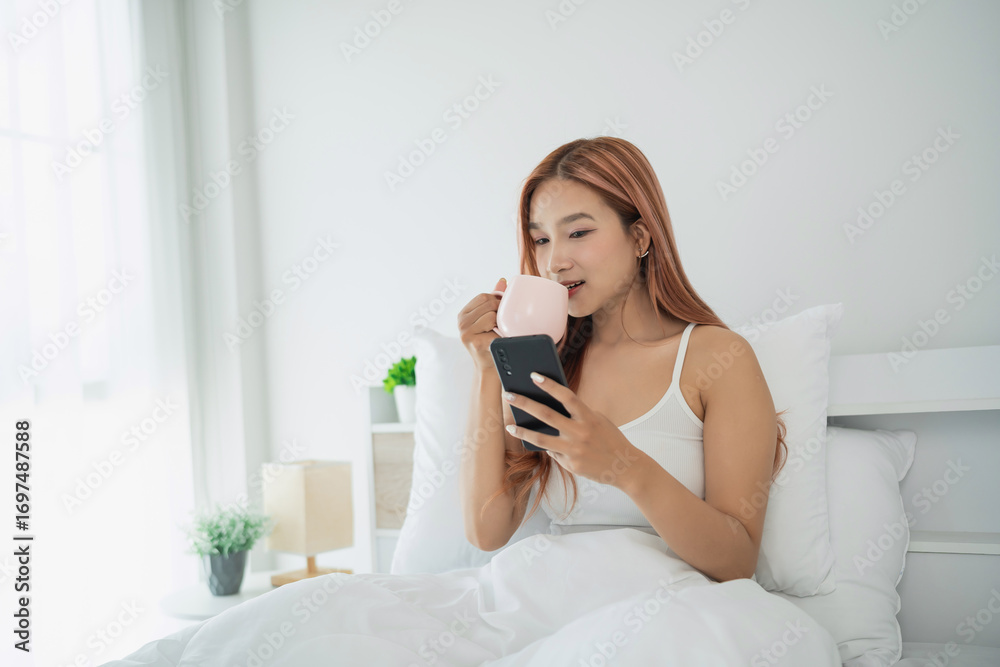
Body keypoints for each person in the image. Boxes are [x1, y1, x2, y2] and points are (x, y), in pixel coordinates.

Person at [457, 136, 790, 584]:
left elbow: (737, 561)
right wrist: (486, 368)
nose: (554, 261)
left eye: (578, 232)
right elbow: (486, 531)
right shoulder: (544, 364)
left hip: (671, 613)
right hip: (551, 598)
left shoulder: (717, 358)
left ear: (639, 237)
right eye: (540, 239)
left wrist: (625, 465)